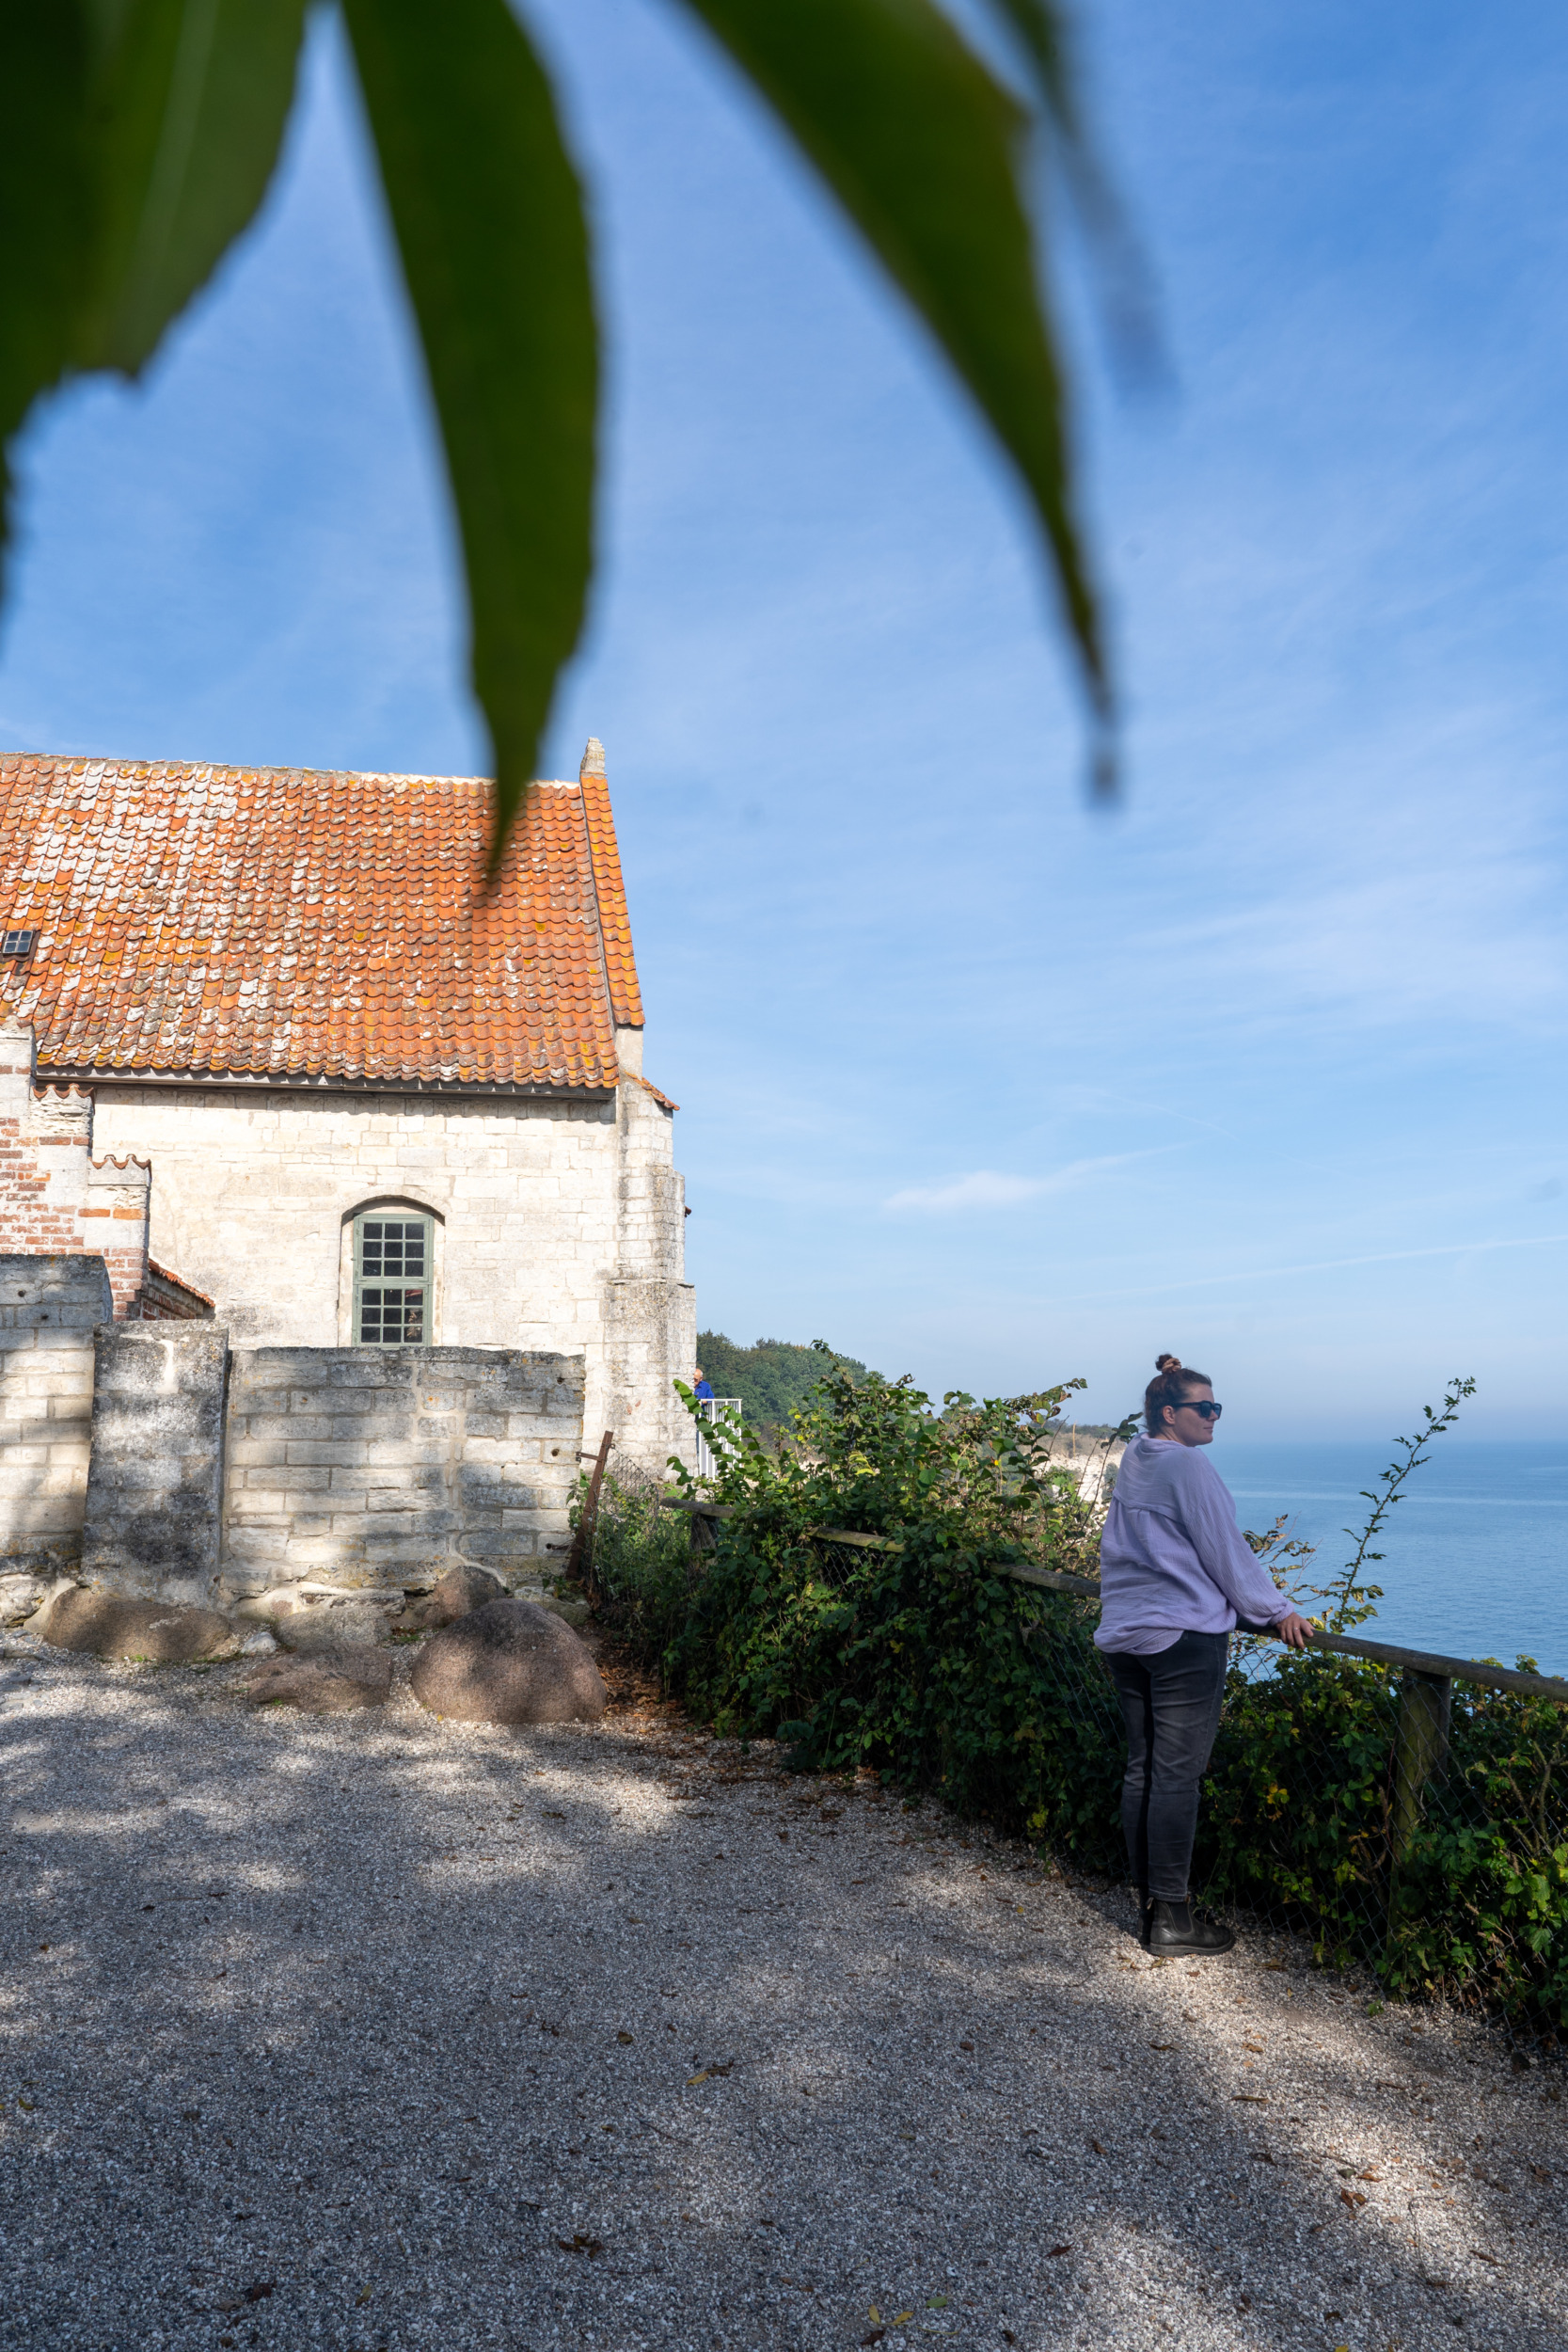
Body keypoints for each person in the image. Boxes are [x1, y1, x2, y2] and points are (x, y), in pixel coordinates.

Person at [1097, 1353, 1313, 1958]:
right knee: (1175, 1777)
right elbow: (1226, 1551)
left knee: (1142, 1769)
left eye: (1218, 1407)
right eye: (1205, 1408)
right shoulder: (1188, 1465)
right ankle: (1173, 1918)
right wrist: (1275, 1610)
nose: (1215, 1417)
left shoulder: (1135, 1458)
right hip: (1181, 1637)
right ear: (1172, 1414)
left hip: (1127, 1631)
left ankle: (1151, 1904)